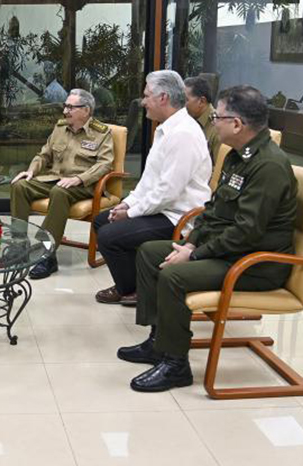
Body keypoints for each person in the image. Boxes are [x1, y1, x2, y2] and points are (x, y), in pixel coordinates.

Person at [123, 85, 297, 392]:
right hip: (230, 251)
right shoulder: (236, 156)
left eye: (218, 115)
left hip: (255, 264)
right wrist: (191, 242)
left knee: (175, 276)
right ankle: (159, 342)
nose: (212, 120)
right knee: (150, 253)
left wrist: (195, 254)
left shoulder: (268, 166)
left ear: (237, 124)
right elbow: (214, 210)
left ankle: (176, 364)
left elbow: (247, 232)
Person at [93, 70, 212, 306]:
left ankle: (136, 289)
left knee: (108, 235)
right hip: (162, 208)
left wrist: (131, 213)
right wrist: (127, 203)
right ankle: (133, 283)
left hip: (178, 216)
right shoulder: (166, 129)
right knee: (101, 220)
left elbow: (168, 192)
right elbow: (149, 182)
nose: (143, 101)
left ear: (163, 98)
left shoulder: (183, 134)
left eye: (147, 95)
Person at [9, 88, 114, 279]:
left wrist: (79, 179)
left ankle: (48, 255)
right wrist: (31, 171)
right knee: (20, 186)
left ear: (86, 110)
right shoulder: (60, 128)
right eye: (65, 106)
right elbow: (44, 155)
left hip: (83, 185)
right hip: (55, 178)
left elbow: (105, 164)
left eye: (71, 107)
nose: (65, 111)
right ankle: (18, 245)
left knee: (59, 192)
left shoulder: (101, 133)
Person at [184, 76, 221, 164]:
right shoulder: (188, 122)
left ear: (201, 101)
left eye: (185, 100)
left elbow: (219, 170)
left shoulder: (218, 126)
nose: (181, 104)